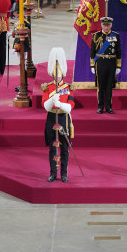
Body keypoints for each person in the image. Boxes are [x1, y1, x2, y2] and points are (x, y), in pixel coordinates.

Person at [41, 47, 74, 183]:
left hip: (63, 118)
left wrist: (60, 105)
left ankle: (64, 174)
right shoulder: (47, 87)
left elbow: (71, 106)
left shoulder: (68, 87)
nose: (57, 77)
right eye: (55, 74)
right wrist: (51, 100)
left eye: (59, 74)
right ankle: (53, 173)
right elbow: (44, 105)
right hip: (51, 118)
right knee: (53, 148)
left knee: (64, 149)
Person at [90, 17, 121, 114]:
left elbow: (119, 51)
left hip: (111, 63)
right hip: (100, 63)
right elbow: (92, 52)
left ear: (111, 25)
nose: (106, 27)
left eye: (108, 25)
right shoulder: (96, 36)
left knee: (109, 86)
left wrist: (118, 66)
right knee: (101, 86)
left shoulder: (116, 36)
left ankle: (108, 107)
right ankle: (100, 107)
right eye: (104, 25)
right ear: (101, 25)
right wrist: (92, 65)